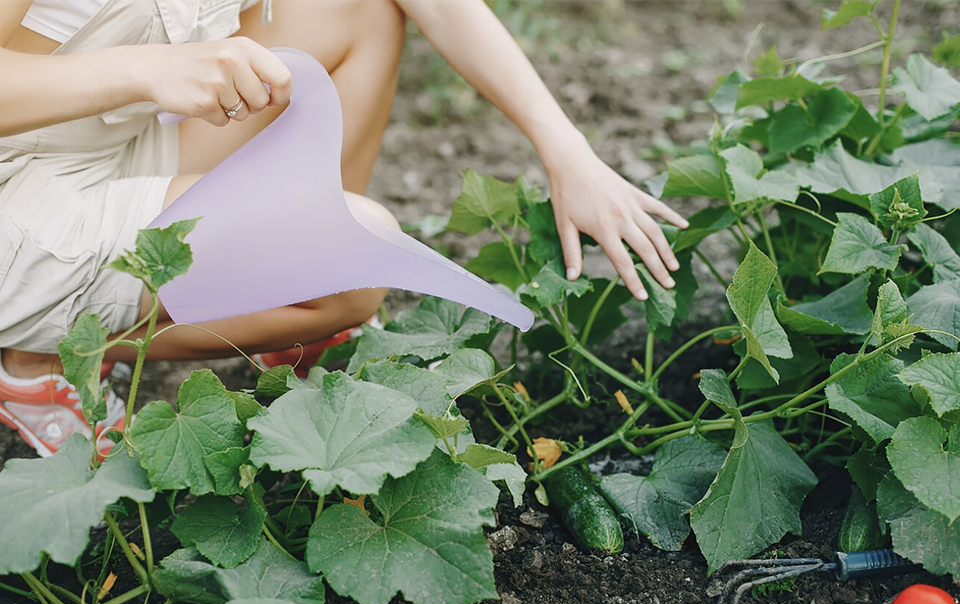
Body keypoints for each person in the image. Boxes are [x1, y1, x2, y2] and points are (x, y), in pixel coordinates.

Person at [0, 0, 688, 457]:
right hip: (20, 204)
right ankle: (37, 361)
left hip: (113, 138)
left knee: (360, 7)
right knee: (360, 258)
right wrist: (142, 70)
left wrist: (565, 151)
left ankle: (283, 306)